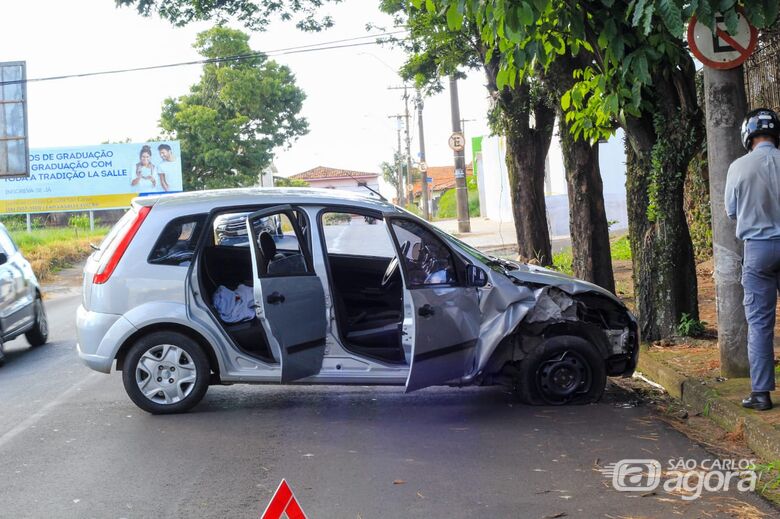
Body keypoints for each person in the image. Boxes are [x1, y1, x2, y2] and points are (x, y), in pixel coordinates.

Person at [725, 107, 780, 411]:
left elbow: (732, 212)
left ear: (748, 135)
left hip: (758, 249)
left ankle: (761, 394)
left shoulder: (738, 167)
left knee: (759, 323)